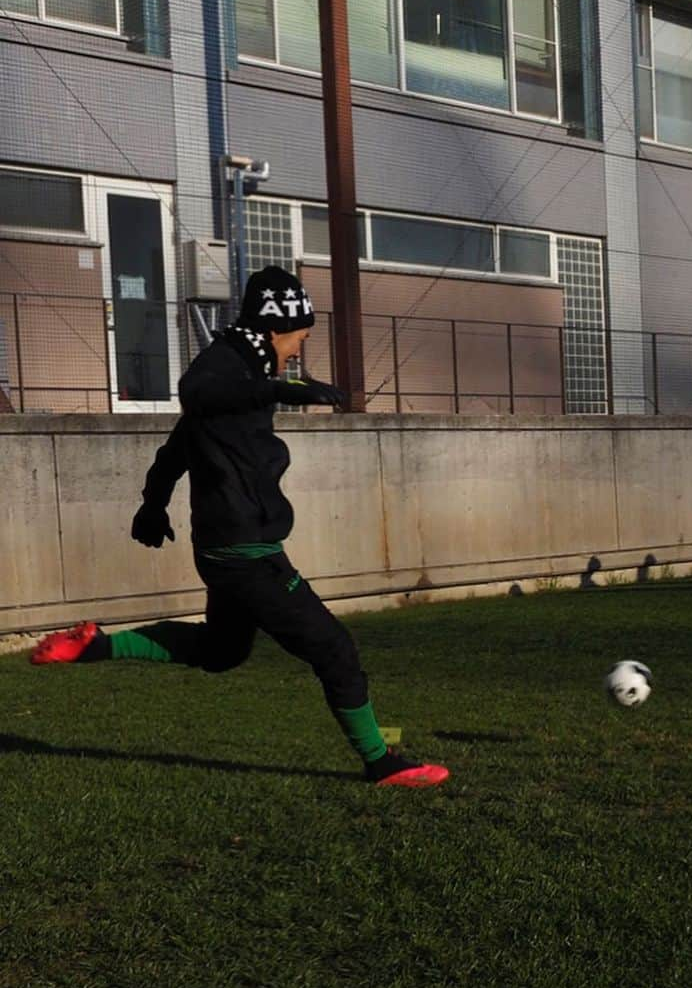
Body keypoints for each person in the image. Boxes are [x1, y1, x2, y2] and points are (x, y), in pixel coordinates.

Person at [30, 266, 449, 789]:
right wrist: (284, 390)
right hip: (245, 551)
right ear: (277, 328)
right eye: (299, 338)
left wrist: (153, 505)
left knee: (222, 652)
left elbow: (179, 445)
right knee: (334, 648)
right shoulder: (228, 368)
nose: (298, 350)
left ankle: (96, 645)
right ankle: (381, 762)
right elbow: (195, 390)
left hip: (229, 547)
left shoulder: (242, 373)